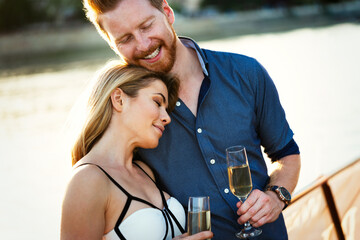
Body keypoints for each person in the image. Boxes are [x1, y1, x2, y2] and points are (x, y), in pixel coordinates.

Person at [82, 0, 301, 239]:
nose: (143, 45)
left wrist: (276, 196)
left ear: (167, 12)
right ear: (113, 45)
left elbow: (286, 154)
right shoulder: (126, 114)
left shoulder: (246, 72)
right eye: (125, 39)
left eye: (146, 26)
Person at [60, 61, 213, 240]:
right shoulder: (87, 179)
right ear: (119, 99)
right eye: (157, 102)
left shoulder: (145, 170)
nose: (166, 118)